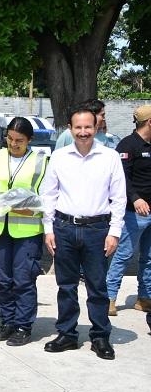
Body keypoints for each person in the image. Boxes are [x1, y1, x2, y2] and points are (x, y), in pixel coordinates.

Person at [42, 104, 125, 360]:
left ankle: (100, 336)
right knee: (65, 285)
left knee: (97, 286)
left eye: (88, 126)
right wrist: (49, 228)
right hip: (64, 228)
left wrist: (114, 232)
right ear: (70, 128)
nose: (83, 132)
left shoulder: (110, 157)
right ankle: (67, 334)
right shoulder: (59, 156)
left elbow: (118, 198)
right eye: (78, 127)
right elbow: (49, 193)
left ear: (96, 127)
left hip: (97, 229)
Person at [0, 117, 47, 347]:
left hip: (27, 230)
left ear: (30, 140)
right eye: (10, 138)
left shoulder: (41, 161)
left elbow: (48, 198)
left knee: (24, 280)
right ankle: (7, 322)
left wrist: (35, 211)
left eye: (19, 140)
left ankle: (23, 326)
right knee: (5, 280)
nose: (14, 144)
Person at [107, 105, 151, 316]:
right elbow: (121, 178)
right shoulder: (128, 145)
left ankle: (144, 297)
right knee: (123, 255)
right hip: (134, 213)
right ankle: (109, 297)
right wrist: (135, 199)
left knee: (149, 258)